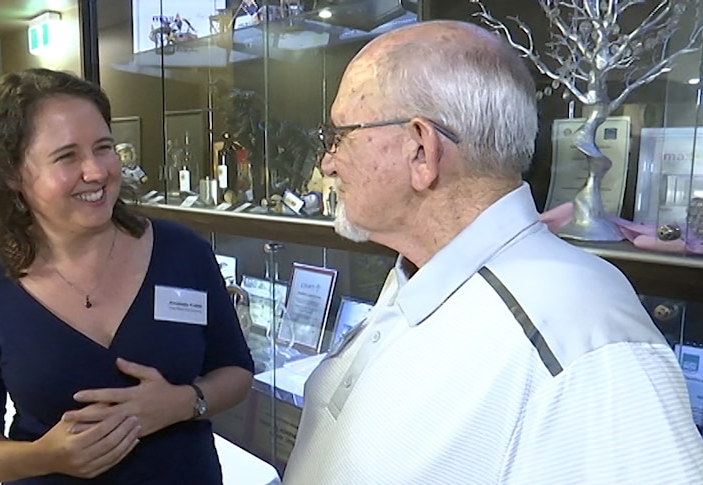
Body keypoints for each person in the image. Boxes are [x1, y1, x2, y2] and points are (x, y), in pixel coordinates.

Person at [283, 20, 703, 484]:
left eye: (339, 135)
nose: (327, 161)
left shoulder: (582, 336)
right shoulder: (420, 276)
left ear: (421, 150)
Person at [0, 68, 254, 485]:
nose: (97, 171)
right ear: (13, 173)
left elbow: (235, 371)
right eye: (67, 156)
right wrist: (45, 457)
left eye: (104, 148)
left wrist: (184, 403)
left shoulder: (183, 252)